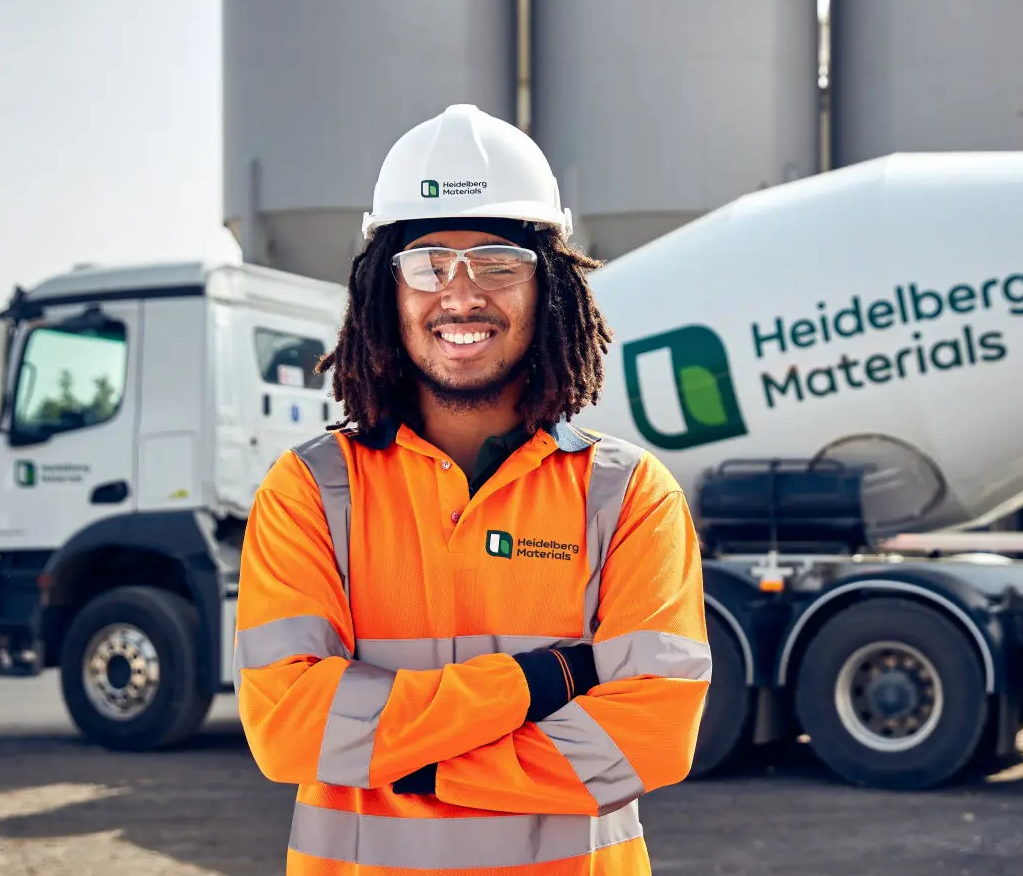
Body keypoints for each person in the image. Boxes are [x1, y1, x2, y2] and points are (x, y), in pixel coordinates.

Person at [233, 103, 711, 875]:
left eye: (496, 262)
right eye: (427, 265)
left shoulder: (625, 496)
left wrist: (409, 764)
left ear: (547, 286)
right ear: (384, 290)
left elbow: (649, 736)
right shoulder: (310, 493)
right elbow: (290, 728)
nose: (460, 296)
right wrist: (541, 681)